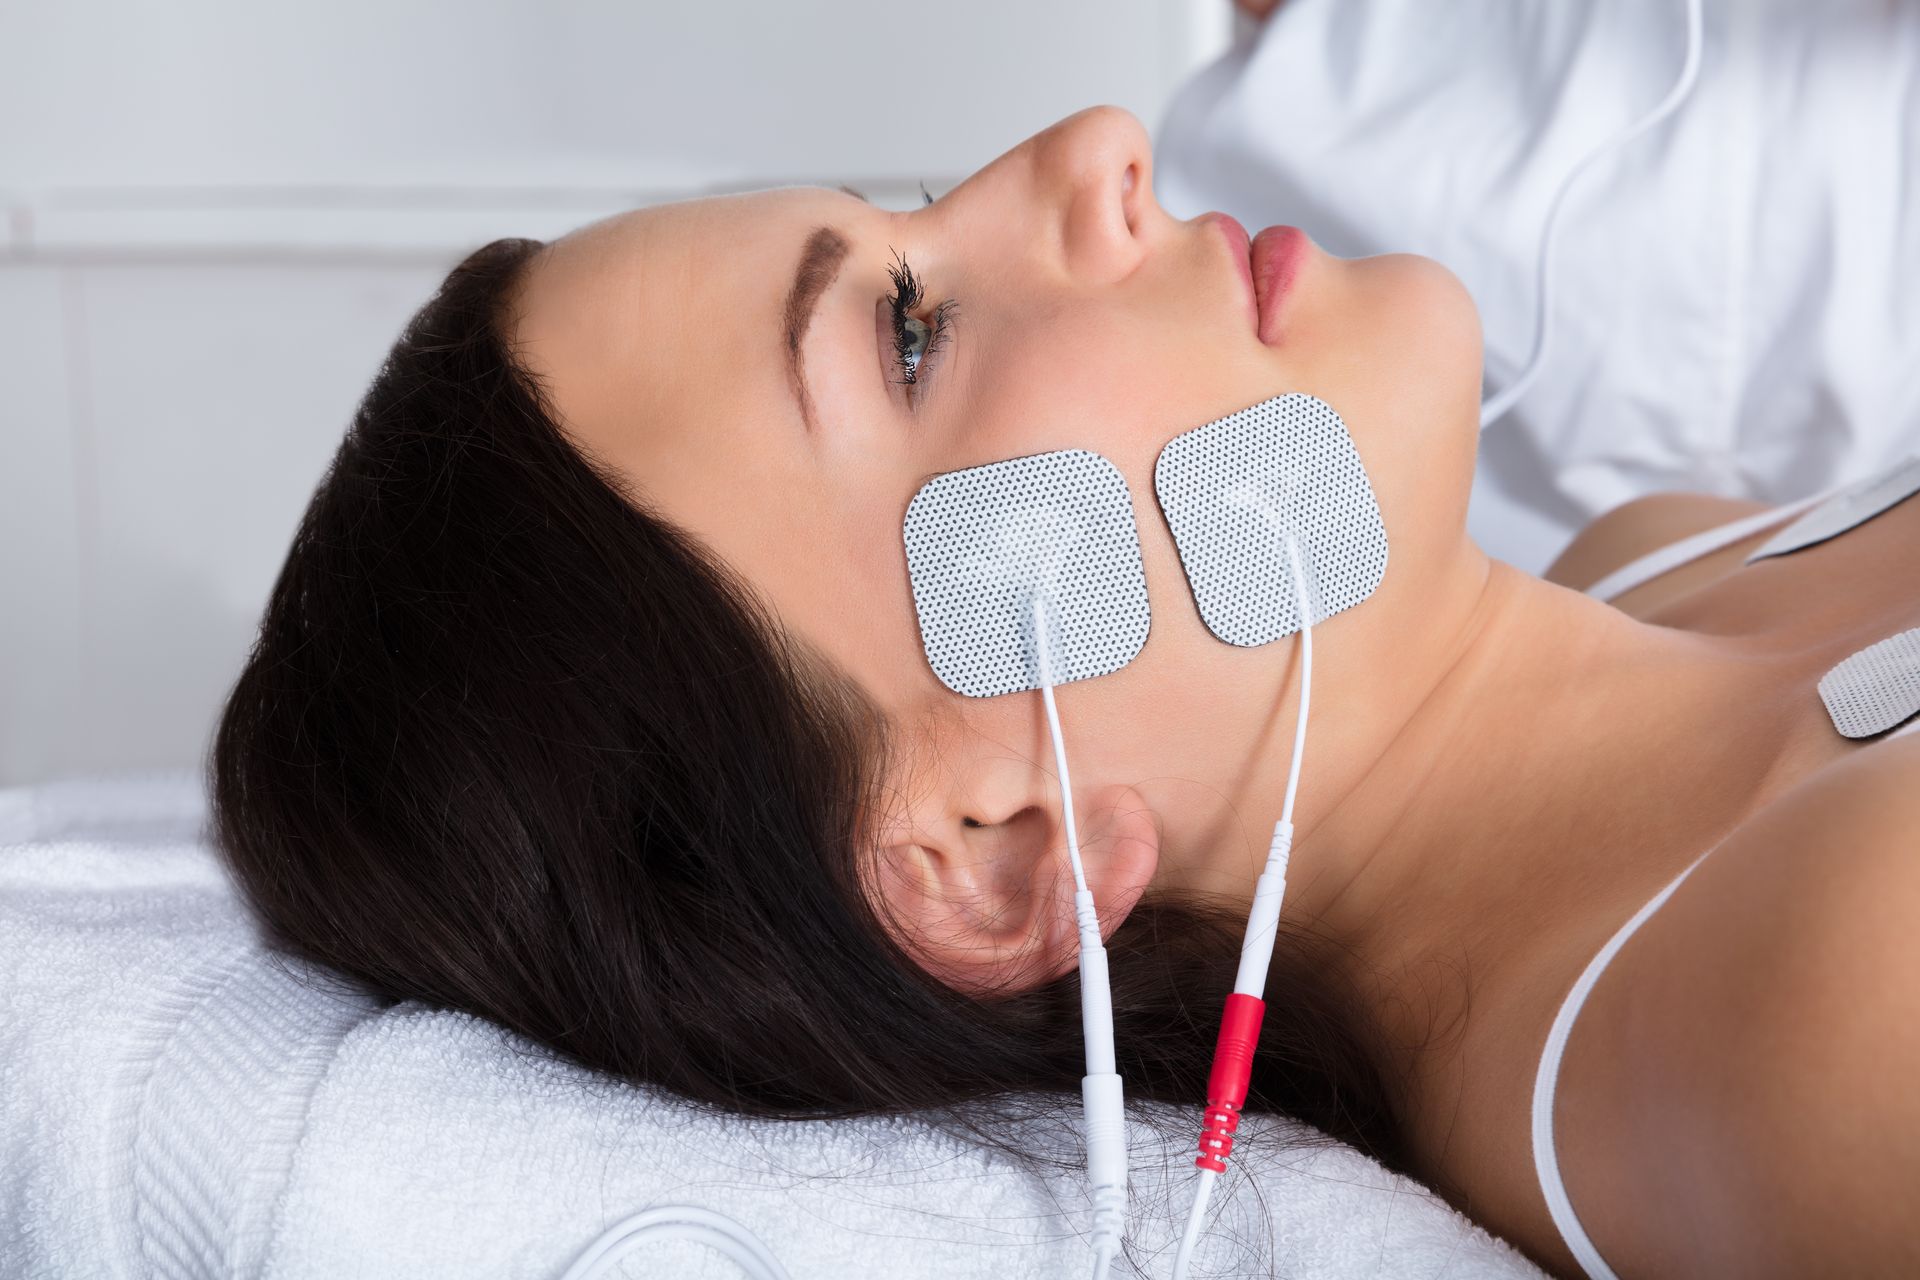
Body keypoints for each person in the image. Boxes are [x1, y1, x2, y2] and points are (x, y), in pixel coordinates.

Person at [211, 106, 1919, 1277]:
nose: (1096, 148)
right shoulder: (1828, 1007)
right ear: (989, 856)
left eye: (917, 211)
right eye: (908, 332)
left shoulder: (1671, 553)